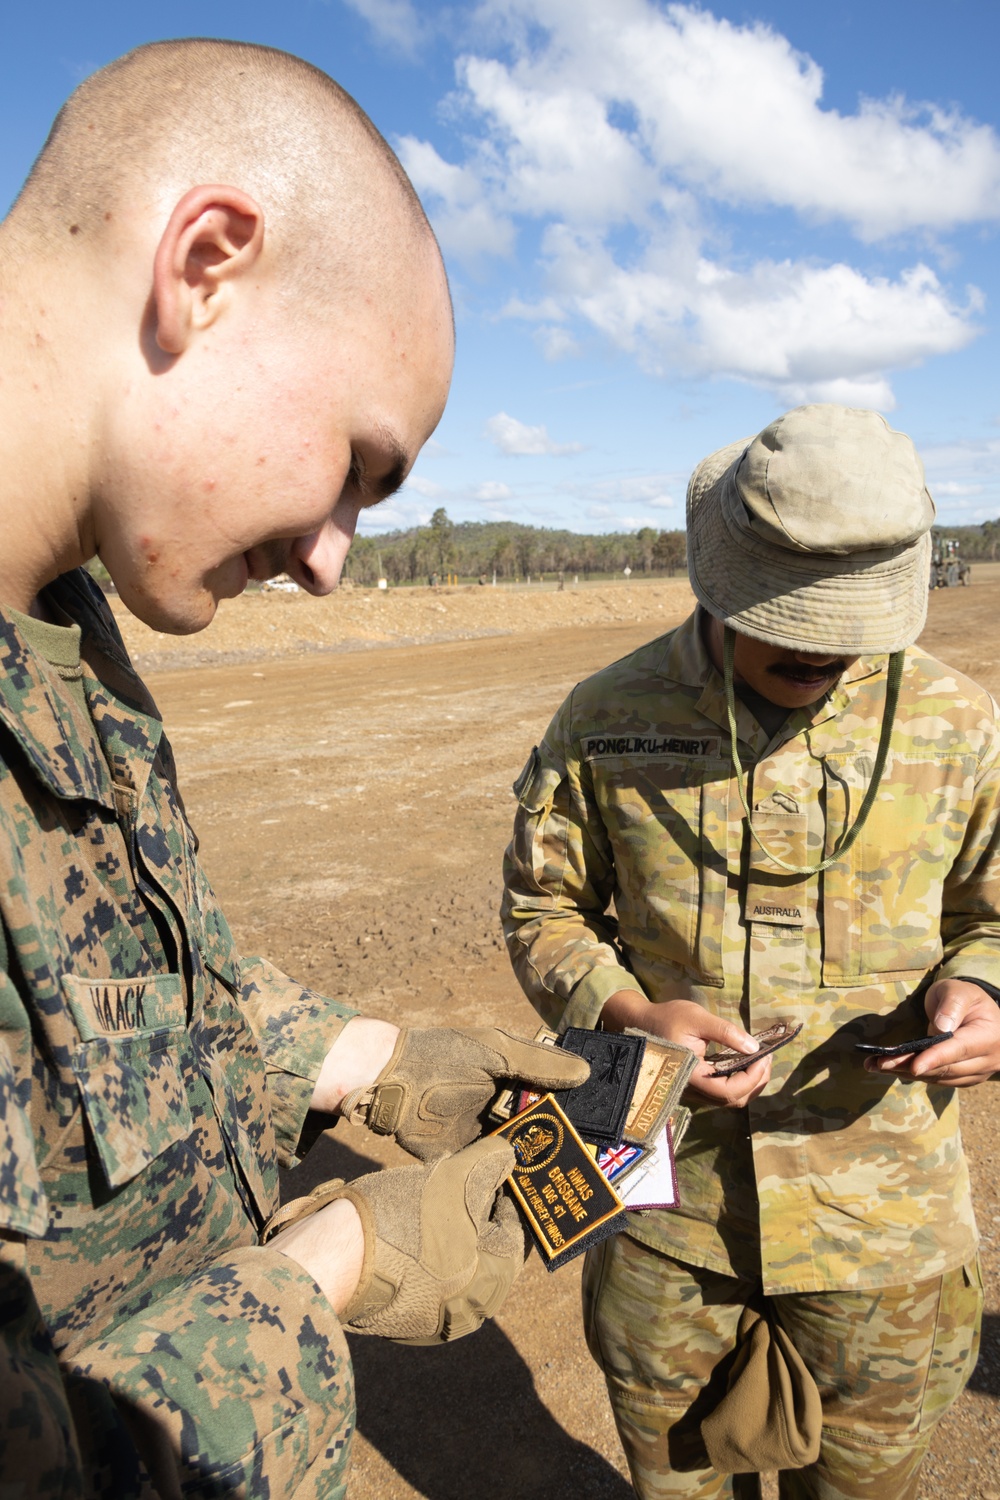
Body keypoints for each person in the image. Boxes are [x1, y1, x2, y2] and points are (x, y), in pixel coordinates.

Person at [0, 39, 588, 1499]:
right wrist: (326, 1268)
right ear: (206, 262)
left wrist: (366, 1064)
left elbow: (110, 1012)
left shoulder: (65, 625)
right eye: (357, 468)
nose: (332, 563)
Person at [501, 403, 1000, 1499]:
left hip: (885, 1231)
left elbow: (993, 914)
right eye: (791, 612)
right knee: (674, 1480)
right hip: (655, 1198)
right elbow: (542, 910)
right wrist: (632, 1019)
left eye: (850, 618)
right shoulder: (605, 716)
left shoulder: (962, 728)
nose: (820, 645)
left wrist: (982, 991)